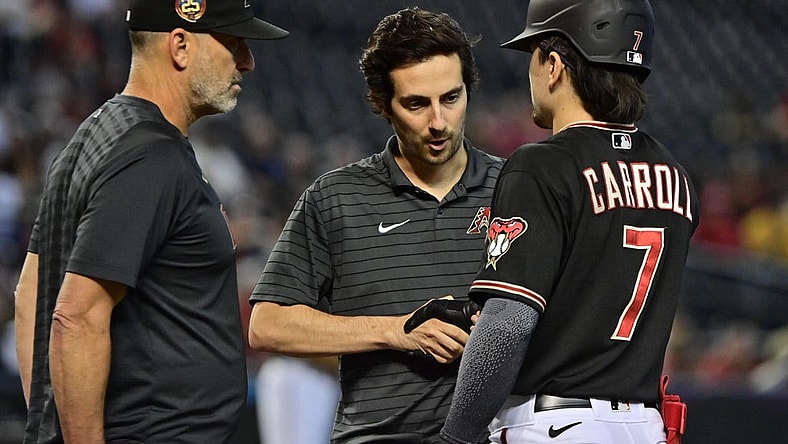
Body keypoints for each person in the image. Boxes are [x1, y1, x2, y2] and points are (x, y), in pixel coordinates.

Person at [13, 0, 288, 442]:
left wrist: (50, 430)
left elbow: (32, 295)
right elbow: (75, 317)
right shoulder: (149, 153)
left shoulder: (96, 133)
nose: (248, 62)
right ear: (180, 45)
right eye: (234, 43)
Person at [438, 0, 698, 443]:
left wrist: (457, 435)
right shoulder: (674, 172)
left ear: (555, 64)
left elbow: (509, 322)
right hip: (643, 425)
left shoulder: (542, 165)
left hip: (557, 423)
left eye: (534, 55)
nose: (532, 72)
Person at [247, 7, 503, 443]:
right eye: (416, 104)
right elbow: (267, 325)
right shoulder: (336, 198)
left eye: (451, 98)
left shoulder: (517, 190)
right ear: (382, 104)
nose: (438, 122)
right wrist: (397, 331)